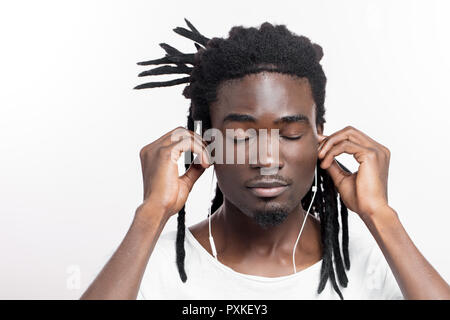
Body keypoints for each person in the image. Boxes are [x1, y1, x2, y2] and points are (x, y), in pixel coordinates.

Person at [80, 19, 450, 300]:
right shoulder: (149, 269)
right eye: (241, 135)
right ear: (204, 140)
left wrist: (381, 217)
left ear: (320, 134)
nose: (268, 158)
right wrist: (149, 216)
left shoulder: (374, 264)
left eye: (290, 133)